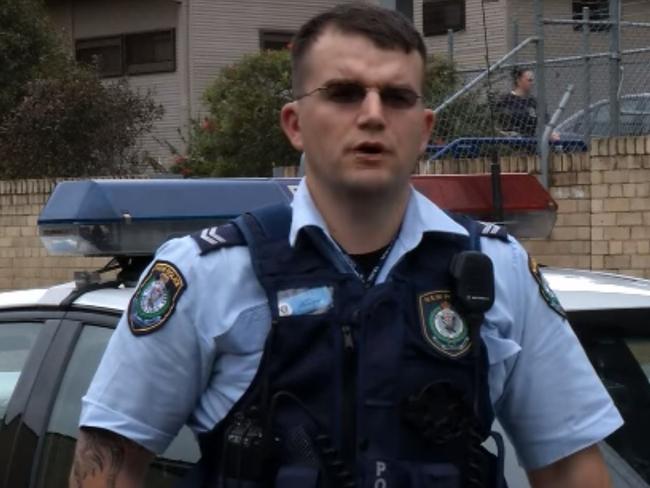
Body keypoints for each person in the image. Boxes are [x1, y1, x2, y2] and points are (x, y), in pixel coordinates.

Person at [69, 4, 622, 488]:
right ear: (295, 124)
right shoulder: (206, 274)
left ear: (425, 129)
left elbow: (571, 466)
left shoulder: (498, 272)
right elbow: (108, 464)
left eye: (398, 97)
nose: (374, 114)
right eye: (344, 93)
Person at [496, 68, 560, 142]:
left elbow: (545, 120)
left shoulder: (534, 101)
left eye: (533, 80)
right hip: (511, 138)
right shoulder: (506, 100)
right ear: (519, 81)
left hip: (532, 138)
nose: (532, 83)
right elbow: (499, 121)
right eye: (529, 80)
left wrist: (550, 132)